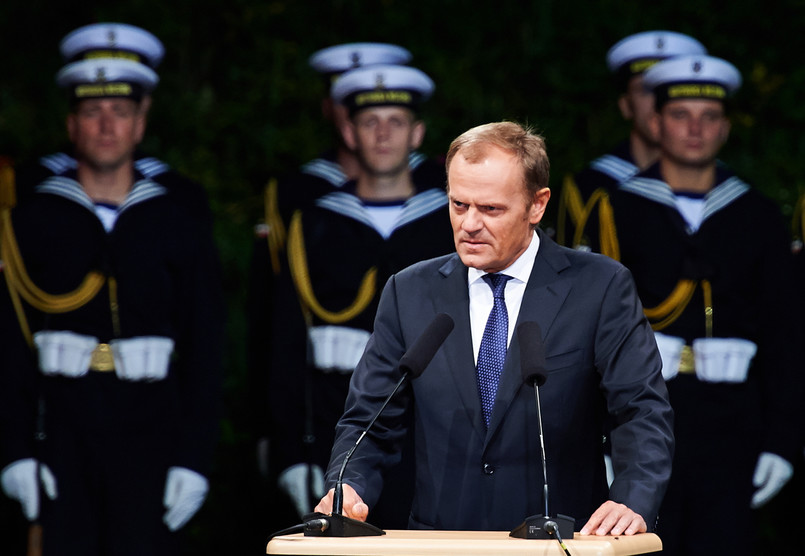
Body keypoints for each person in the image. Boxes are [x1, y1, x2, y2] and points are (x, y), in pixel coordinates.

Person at [313, 121, 674, 534]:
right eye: (459, 205)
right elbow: (368, 422)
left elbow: (641, 411)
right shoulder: (410, 292)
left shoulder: (600, 288)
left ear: (537, 205)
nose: (469, 225)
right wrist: (348, 487)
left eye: (490, 209)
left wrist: (632, 498)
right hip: (441, 541)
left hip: (560, 539)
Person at [0, 48, 224, 556]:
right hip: (57, 433)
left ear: (140, 124)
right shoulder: (28, 222)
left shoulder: (175, 221)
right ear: (71, 125)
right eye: (92, 112)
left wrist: (193, 457)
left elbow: (205, 349)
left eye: (120, 112)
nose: (106, 126)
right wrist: (13, 451)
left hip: (152, 432)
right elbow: (8, 346)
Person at [590, 54, 804, 554]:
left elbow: (786, 335)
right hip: (640, 418)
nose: (695, 129)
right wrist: (595, 437)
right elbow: (591, 334)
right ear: (656, 122)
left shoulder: (757, 213)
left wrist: (782, 441)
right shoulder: (617, 209)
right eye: (681, 115)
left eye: (708, 117)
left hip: (733, 422)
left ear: (726, 128)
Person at [262, 63, 456, 529]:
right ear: (349, 132)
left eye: (396, 122)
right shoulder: (312, 223)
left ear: (418, 134)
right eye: (371, 122)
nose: (384, 135)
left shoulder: (450, 222)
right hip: (336, 427)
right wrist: (292, 450)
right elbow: (285, 344)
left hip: (433, 430)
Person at [556, 30, 706, 251]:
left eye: (671, 93)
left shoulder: (723, 188)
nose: (659, 105)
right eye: (647, 91)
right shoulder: (589, 187)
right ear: (625, 105)